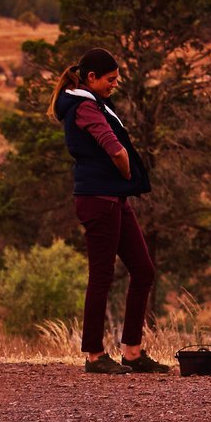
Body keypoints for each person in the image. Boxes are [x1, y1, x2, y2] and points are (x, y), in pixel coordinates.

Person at [52, 48, 168, 374]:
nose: (114, 85)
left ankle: (132, 352)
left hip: (113, 198)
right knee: (101, 276)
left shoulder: (93, 102)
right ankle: (93, 354)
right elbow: (113, 147)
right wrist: (128, 170)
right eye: (110, 80)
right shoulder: (84, 107)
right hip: (98, 198)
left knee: (143, 270)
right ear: (91, 78)